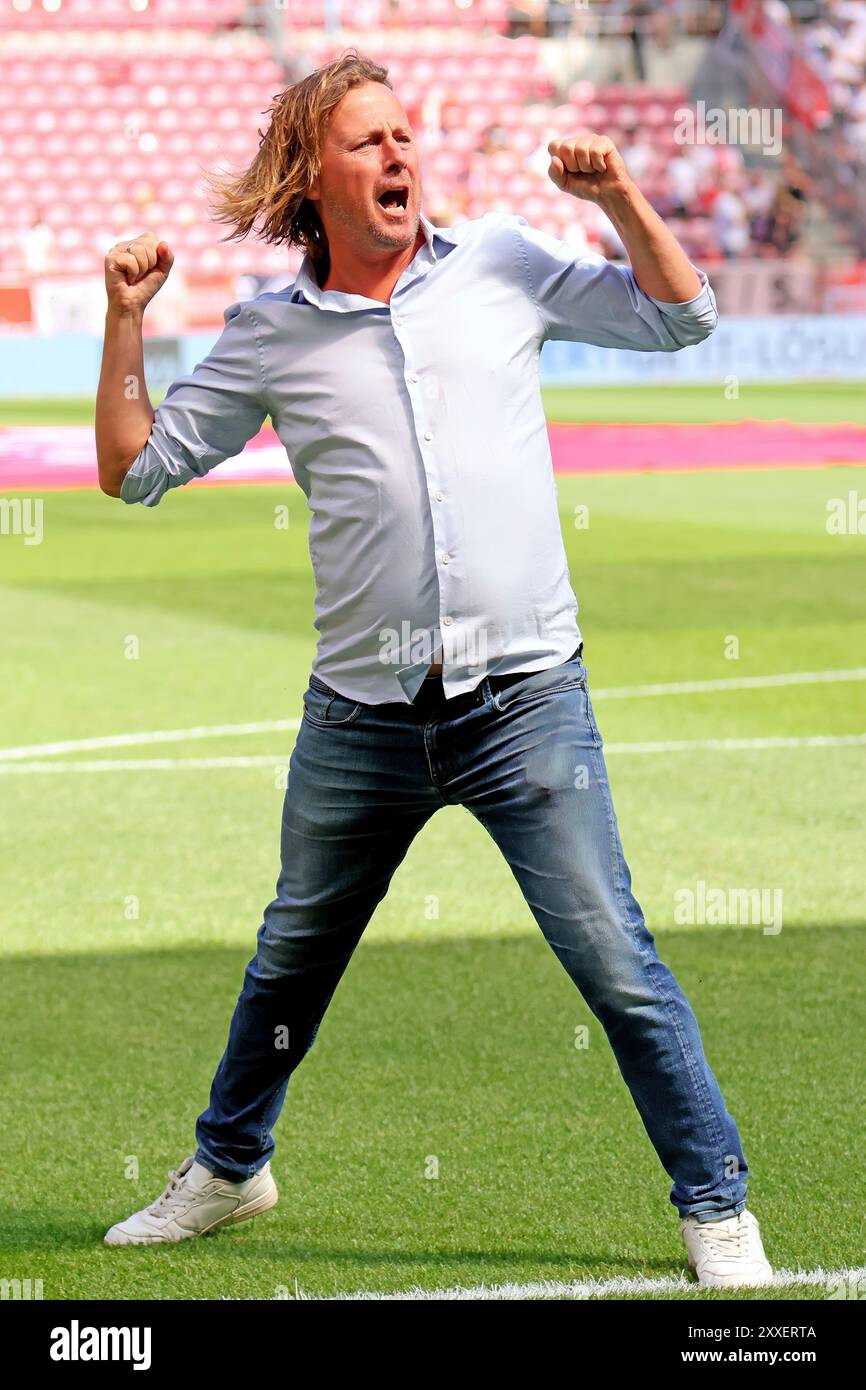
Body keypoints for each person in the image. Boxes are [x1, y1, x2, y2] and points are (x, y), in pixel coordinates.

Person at [95, 53, 772, 1289]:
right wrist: (126, 318)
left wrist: (618, 198)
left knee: (614, 963)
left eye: (405, 134)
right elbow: (134, 466)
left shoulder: (505, 264)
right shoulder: (268, 334)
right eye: (367, 141)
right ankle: (230, 1168)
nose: (398, 155)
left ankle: (714, 1203)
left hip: (525, 704)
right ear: (315, 174)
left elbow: (682, 316)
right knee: (291, 958)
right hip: (360, 720)